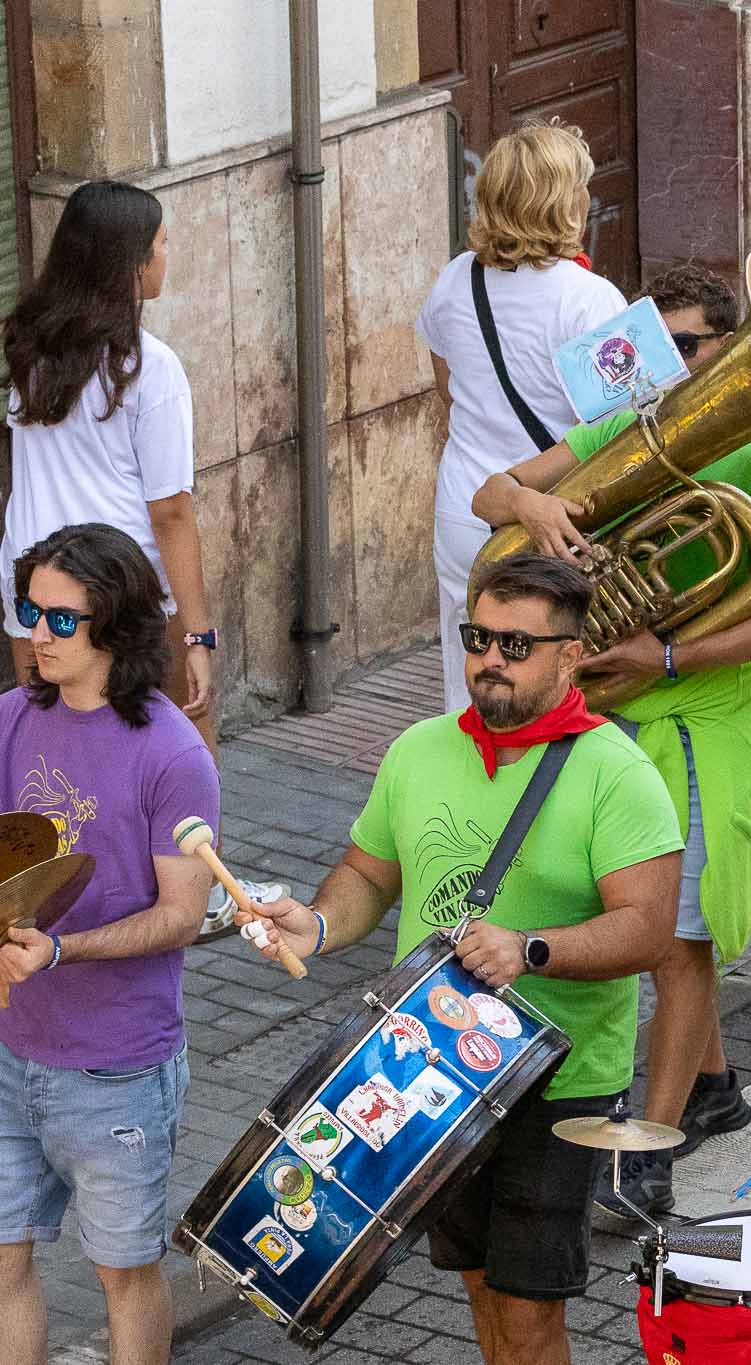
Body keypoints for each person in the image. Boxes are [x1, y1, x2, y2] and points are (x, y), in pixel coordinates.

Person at [241, 554, 681, 1365]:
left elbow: (648, 931)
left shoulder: (621, 775)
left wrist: (531, 948)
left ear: (570, 655)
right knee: (479, 1283)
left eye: (517, 644)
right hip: (431, 1066)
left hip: (558, 1081)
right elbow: (371, 874)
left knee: (528, 1312)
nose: (489, 658)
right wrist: (315, 922)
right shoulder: (419, 749)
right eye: (479, 636)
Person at [472, 262, 751, 1222]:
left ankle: (647, 1157)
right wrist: (538, 509)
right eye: (658, 347)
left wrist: (664, 654)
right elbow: (488, 495)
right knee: (645, 932)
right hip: (610, 721)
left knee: (676, 940)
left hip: (707, 723)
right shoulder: (613, 429)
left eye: (694, 347)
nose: (672, 370)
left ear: (734, 351)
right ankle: (705, 1087)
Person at [0, 523, 219, 1365]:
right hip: (13, 1045)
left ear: (117, 624)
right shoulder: (14, 718)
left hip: (115, 1067)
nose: (37, 634)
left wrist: (61, 951)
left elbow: (182, 915)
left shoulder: (171, 753)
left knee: (122, 1274)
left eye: (61, 619)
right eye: (28, 611)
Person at [417, 119, 628, 712]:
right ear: (565, 203)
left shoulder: (456, 279)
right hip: (555, 518)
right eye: (581, 188)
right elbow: (627, 434)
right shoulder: (590, 300)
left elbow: (448, 388)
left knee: (471, 683)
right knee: (551, 689)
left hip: (463, 511)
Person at [2, 183, 218, 748]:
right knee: (180, 752)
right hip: (117, 590)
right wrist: (199, 635)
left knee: (51, 759)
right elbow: (171, 512)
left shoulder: (29, 348)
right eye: (162, 242)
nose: (167, 254)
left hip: (34, 590)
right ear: (132, 262)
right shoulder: (151, 367)